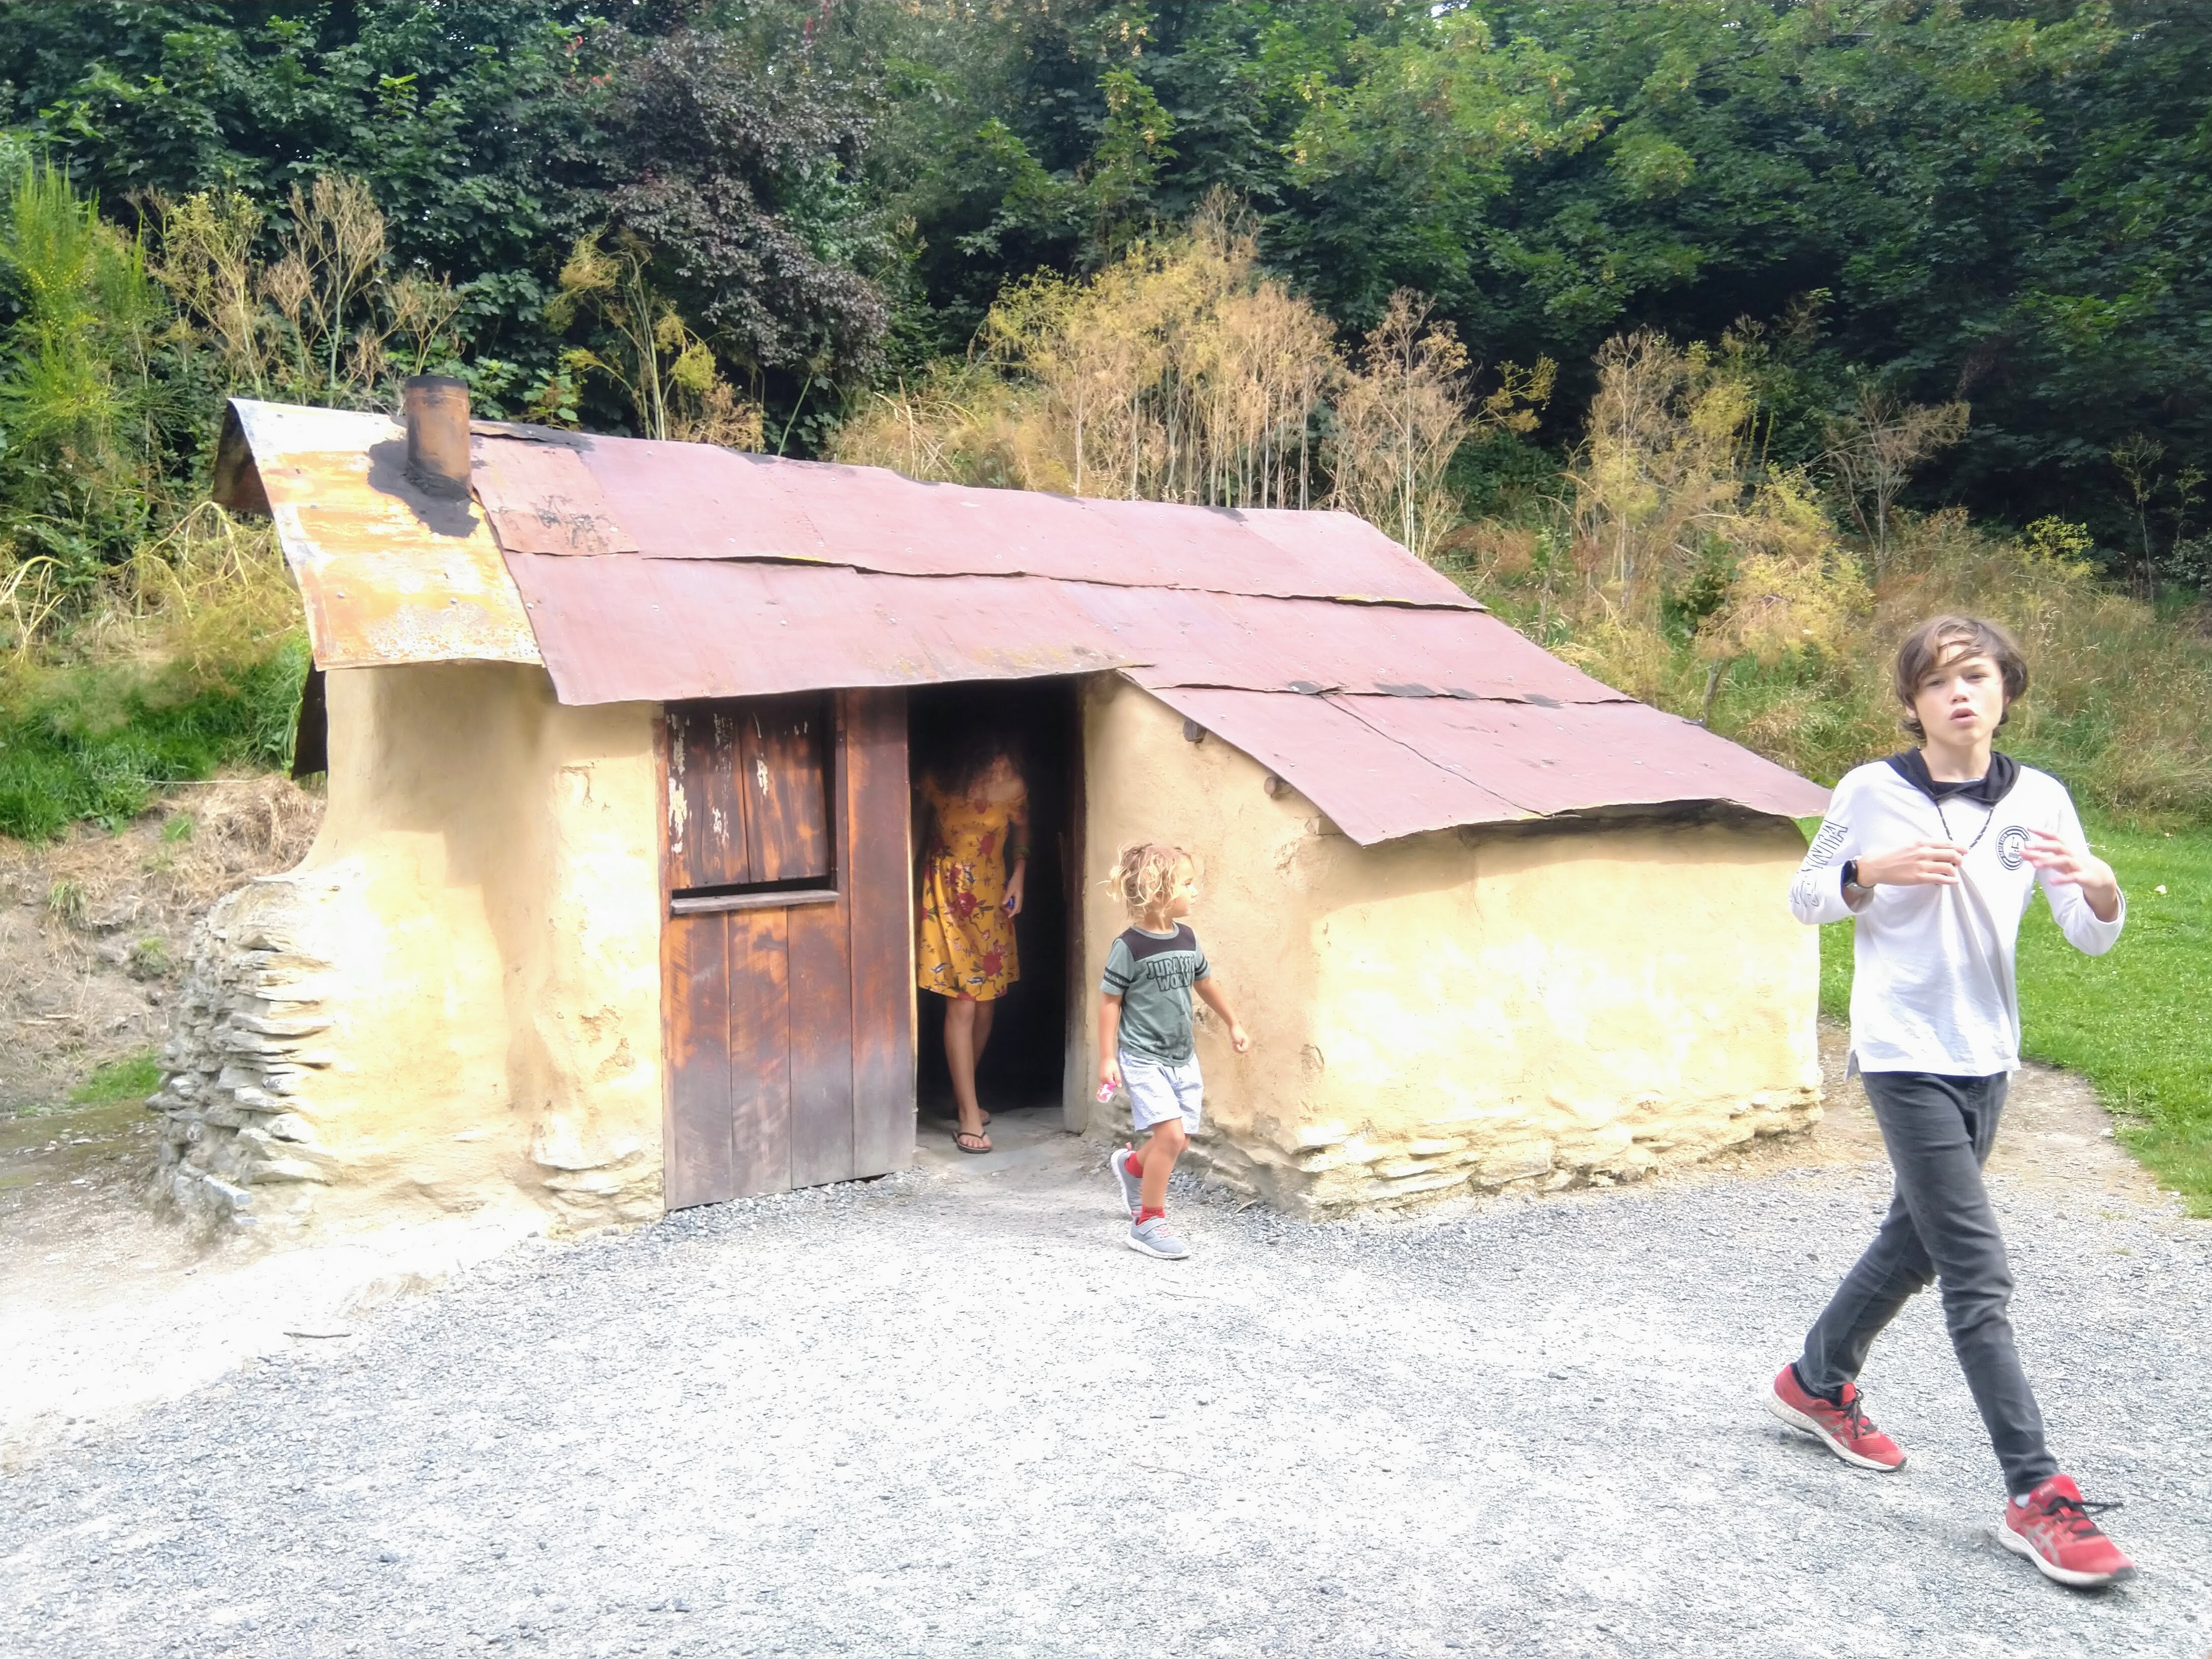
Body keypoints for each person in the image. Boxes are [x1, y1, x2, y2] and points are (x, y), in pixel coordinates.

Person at [1770, 614, 2135, 1588]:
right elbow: (1804, 895)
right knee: (1977, 1271)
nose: (1958, 693)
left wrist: (2101, 885)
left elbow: (2088, 929)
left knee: (1918, 1241)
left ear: (2005, 689)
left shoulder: (2041, 798)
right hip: (1902, 1051)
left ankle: (1814, 1381)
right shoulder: (1869, 790)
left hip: (1987, 1052)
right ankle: (2036, 1492)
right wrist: (1865, 872)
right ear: (1912, 703)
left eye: (1974, 676)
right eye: (1936, 682)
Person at [1098, 843, 1249, 1260]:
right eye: (1187, 883)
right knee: (1170, 1136)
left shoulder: (1187, 938)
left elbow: (1206, 982)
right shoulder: (1128, 946)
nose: (1195, 891)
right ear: (1158, 890)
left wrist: (1233, 1021)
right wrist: (1107, 1057)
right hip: (1143, 1056)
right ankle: (1147, 1222)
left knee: (1179, 1141)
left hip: (1182, 1057)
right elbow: (1110, 1001)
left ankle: (1132, 1168)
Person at [915, 728, 1029, 1154]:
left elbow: (1023, 827)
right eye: (994, 758)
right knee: (963, 1002)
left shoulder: (1014, 784)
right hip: (944, 894)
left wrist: (1019, 873)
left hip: (991, 894)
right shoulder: (938, 781)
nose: (1001, 765)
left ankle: (962, 1094)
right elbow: (915, 828)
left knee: (986, 1003)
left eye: (1005, 758)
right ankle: (967, 1114)